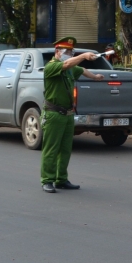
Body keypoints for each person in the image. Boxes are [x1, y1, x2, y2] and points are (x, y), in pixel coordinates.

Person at [41, 37, 105, 193]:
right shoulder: (51, 67)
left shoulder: (69, 69)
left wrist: (95, 77)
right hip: (54, 114)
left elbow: (81, 69)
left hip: (68, 114)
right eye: (67, 51)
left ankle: (61, 179)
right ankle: (47, 179)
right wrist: (83, 56)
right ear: (58, 52)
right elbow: (67, 64)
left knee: (65, 149)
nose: (69, 54)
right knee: (51, 149)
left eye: (71, 52)